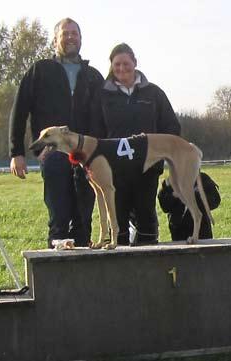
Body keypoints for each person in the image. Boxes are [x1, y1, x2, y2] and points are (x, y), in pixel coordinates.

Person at [9, 17, 104, 248]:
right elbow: (19, 110)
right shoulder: (39, 71)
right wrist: (16, 152)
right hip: (52, 153)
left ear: (81, 39)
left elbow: (105, 118)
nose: (71, 37)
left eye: (75, 34)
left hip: (86, 154)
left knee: (83, 216)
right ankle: (57, 262)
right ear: (55, 40)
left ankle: (84, 260)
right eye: (65, 33)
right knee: (59, 213)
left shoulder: (93, 76)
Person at [90, 42, 181, 246]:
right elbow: (95, 133)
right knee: (118, 217)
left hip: (147, 166)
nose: (122, 69)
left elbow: (171, 126)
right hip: (114, 169)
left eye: (126, 63)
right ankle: (119, 263)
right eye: (117, 64)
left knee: (146, 215)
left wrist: (164, 154)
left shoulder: (154, 93)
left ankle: (148, 260)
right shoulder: (102, 95)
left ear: (135, 63)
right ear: (111, 66)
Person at [158, 172, 220, 241]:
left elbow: (216, 201)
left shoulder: (202, 178)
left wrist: (197, 195)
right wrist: (173, 195)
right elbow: (165, 207)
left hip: (202, 231)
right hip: (178, 231)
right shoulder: (170, 181)